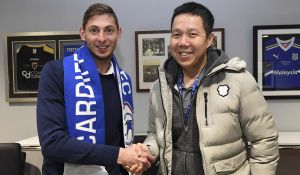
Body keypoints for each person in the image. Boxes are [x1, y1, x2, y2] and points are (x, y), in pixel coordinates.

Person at [140, 2, 279, 175]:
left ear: (209, 40)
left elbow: (264, 141)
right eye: (176, 35)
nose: (183, 42)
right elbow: (155, 134)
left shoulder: (239, 81)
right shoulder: (159, 87)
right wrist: (146, 150)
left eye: (192, 34)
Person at [36, 3, 154, 175]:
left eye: (109, 30)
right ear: (82, 33)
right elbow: (52, 143)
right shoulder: (56, 72)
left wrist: (133, 158)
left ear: (118, 33)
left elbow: (121, 141)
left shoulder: (123, 80)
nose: (101, 38)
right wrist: (119, 155)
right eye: (94, 30)